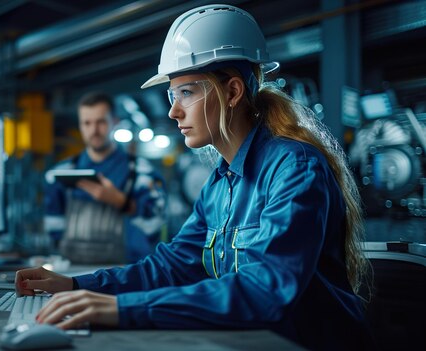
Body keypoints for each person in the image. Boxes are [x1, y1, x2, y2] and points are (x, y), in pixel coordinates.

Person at [19, 4, 373, 349]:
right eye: (172, 94)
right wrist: (76, 285)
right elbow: (170, 267)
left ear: (232, 91)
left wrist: (120, 309)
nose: (173, 111)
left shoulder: (293, 168)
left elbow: (266, 290)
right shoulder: (218, 185)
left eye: (186, 92)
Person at [44, 92, 167, 264]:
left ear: (114, 122)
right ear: (80, 125)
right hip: (72, 273)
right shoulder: (60, 174)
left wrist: (121, 202)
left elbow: (154, 225)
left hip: (126, 273)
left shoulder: (141, 172)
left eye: (101, 122)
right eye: (87, 123)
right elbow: (54, 229)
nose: (93, 130)